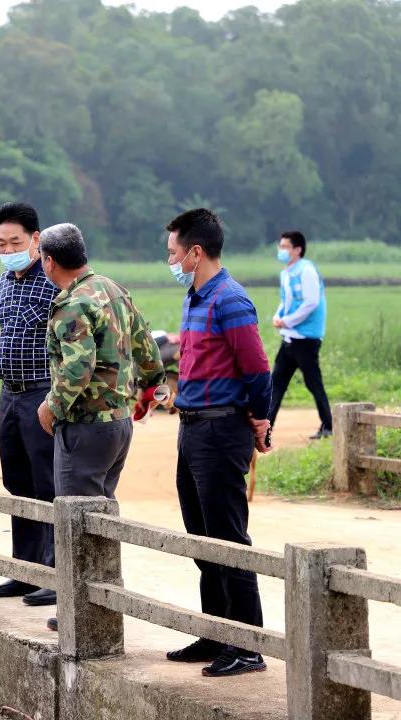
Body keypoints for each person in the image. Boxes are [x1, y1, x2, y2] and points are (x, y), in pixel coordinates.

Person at [163, 208, 272, 678]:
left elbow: (257, 369)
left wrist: (260, 419)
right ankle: (217, 632)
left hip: (220, 430)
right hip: (191, 429)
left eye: (172, 252)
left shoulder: (230, 300)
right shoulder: (194, 297)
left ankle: (248, 644)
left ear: (196, 252)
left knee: (229, 537)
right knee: (202, 537)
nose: (169, 260)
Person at [37, 223, 166, 496]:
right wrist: (153, 386)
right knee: (102, 516)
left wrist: (51, 407)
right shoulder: (113, 289)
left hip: (87, 425)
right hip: (118, 422)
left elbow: (77, 369)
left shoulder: (73, 305)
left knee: (77, 519)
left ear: (49, 262)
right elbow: (146, 346)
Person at [0, 203, 60, 605]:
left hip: (40, 391)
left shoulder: (51, 283)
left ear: (35, 239)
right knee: (18, 482)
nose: (8, 248)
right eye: (1, 242)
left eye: (16, 241)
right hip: (9, 393)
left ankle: (51, 572)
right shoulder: (4, 281)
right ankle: (25, 569)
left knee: (46, 481)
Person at [267, 230, 332, 440]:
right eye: (281, 246)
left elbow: (311, 302)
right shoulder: (286, 273)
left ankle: (328, 425)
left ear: (297, 249)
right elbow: (285, 301)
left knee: (313, 383)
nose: (281, 250)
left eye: (285, 247)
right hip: (289, 337)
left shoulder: (306, 271)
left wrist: (288, 321)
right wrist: (278, 316)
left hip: (306, 338)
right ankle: (265, 429)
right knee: (276, 383)